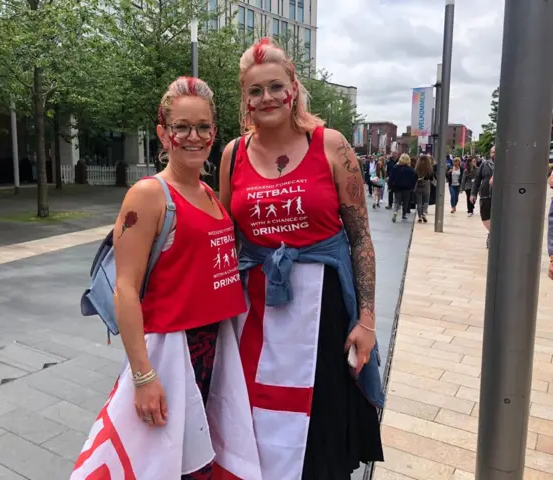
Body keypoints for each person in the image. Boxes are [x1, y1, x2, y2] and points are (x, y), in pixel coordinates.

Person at [71, 77, 261, 480]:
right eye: (182, 127)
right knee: (160, 465)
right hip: (171, 355)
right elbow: (125, 287)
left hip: (214, 352)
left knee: (196, 463)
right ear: (163, 133)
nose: (194, 137)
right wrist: (143, 377)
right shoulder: (149, 195)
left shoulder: (209, 195)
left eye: (203, 127)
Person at [219, 37, 384, 479]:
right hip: (253, 315)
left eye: (275, 86)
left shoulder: (332, 146)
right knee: (253, 421)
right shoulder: (232, 154)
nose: (266, 97)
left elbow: (361, 239)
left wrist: (365, 321)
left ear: (293, 87)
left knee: (322, 429)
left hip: (325, 313)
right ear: (245, 100)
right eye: (255, 91)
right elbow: (224, 240)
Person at [471, 145, 495, 248]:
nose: (495, 154)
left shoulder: (507, 164)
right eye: (494, 152)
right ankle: (492, 232)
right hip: (486, 195)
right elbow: (477, 180)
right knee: (485, 216)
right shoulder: (485, 164)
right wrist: (473, 193)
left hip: (501, 197)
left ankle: (494, 236)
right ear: (490, 153)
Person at [388, 153, 417, 222]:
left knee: (397, 201)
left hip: (397, 187)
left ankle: (395, 212)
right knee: (405, 201)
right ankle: (404, 215)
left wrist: (390, 186)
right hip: (407, 188)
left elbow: (391, 178)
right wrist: (412, 187)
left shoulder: (395, 167)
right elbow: (414, 179)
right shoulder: (411, 170)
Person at [414, 154, 434, 223]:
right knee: (426, 200)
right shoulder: (429, 168)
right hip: (427, 184)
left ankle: (419, 216)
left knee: (419, 201)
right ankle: (424, 213)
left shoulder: (417, 168)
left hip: (419, 184)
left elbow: (414, 176)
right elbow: (431, 178)